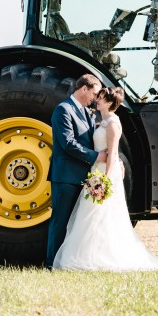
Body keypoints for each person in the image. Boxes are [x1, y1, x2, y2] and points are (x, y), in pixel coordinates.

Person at [53, 87, 158, 271]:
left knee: (102, 215)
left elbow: (114, 152)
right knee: (91, 215)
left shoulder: (113, 123)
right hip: (96, 170)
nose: (96, 100)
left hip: (103, 174)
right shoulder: (101, 121)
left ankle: (99, 256)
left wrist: (105, 180)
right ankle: (87, 254)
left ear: (108, 102)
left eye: (99, 98)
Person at [46, 73, 107, 269]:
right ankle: (52, 264)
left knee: (78, 224)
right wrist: (96, 157)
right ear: (84, 89)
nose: (95, 98)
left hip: (84, 176)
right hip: (65, 177)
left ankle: (70, 262)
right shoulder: (63, 110)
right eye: (94, 93)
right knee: (60, 222)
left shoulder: (85, 112)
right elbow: (68, 144)